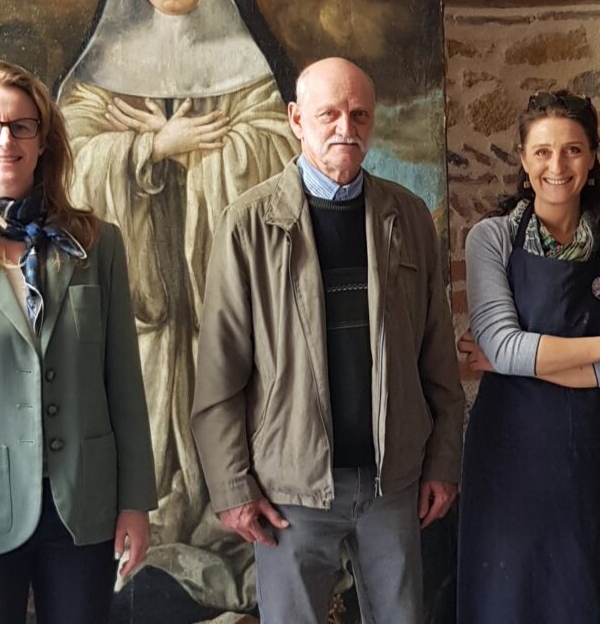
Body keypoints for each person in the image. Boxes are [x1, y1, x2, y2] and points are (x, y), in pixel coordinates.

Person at [56, 0, 299, 609]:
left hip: (220, 296)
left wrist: (215, 151)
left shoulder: (246, 63)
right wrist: (151, 150)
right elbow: (70, 169)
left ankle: (227, 534)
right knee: (149, 419)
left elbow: (278, 156)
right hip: (142, 301)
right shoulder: (107, 64)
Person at [191, 57, 464, 624]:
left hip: (394, 484)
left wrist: (442, 459)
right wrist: (231, 487)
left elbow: (437, 355)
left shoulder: (408, 216)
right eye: (330, 113)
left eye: (359, 113)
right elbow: (219, 373)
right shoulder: (248, 224)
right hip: (291, 491)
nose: (347, 127)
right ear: (296, 119)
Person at [0, 59, 157, 623]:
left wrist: (135, 502)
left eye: (22, 126)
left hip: (84, 509)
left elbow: (125, 384)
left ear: (43, 141)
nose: (6, 140)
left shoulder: (98, 245)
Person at [456, 90, 600, 623]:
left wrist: (513, 360)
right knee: (507, 600)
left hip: (591, 452)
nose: (556, 165)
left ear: (591, 159)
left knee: (585, 596)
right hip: (508, 456)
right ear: (522, 159)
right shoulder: (489, 240)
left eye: (572, 150)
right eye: (542, 152)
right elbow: (503, 344)